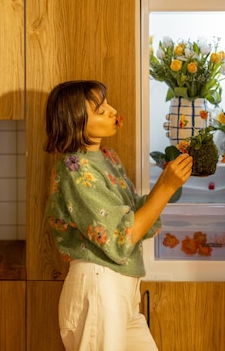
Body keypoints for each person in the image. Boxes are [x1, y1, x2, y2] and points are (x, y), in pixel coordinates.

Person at [44, 80, 193, 351]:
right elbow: (120, 239)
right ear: (76, 122)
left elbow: (140, 221)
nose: (113, 111)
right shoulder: (74, 169)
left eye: (108, 104)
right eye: (101, 110)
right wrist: (168, 186)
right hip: (99, 288)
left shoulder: (108, 158)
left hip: (121, 291)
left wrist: (166, 182)